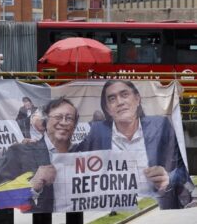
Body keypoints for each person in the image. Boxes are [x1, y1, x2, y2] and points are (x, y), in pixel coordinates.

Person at [76, 80, 193, 209]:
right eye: (112, 99)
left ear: (137, 99)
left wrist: (168, 178)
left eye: (124, 94)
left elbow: (182, 171)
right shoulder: (97, 131)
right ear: (108, 109)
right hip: (114, 209)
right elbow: (69, 163)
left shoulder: (161, 125)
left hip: (156, 209)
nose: (120, 102)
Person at [0, 97, 79, 212]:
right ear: (45, 121)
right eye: (58, 117)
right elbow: (0, 198)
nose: (64, 122)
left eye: (69, 118)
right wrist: (32, 186)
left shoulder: (83, 154)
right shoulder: (19, 153)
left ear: (74, 126)